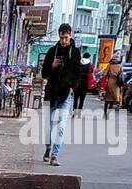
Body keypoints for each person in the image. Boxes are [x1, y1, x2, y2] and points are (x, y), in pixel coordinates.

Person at [41, 24, 82, 164]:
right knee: (48, 126)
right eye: (61, 38)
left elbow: (78, 74)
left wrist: (72, 88)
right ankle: (48, 148)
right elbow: (44, 73)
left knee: (61, 126)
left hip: (66, 94)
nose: (64, 41)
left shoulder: (75, 53)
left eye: (66, 37)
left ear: (70, 36)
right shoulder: (52, 51)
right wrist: (52, 65)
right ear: (58, 36)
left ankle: (55, 155)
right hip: (50, 93)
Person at [103, 53, 125, 119]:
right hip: (117, 84)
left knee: (107, 99)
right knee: (113, 99)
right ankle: (109, 114)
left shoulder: (109, 65)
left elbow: (105, 73)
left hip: (110, 82)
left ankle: (105, 114)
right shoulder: (120, 66)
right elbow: (121, 74)